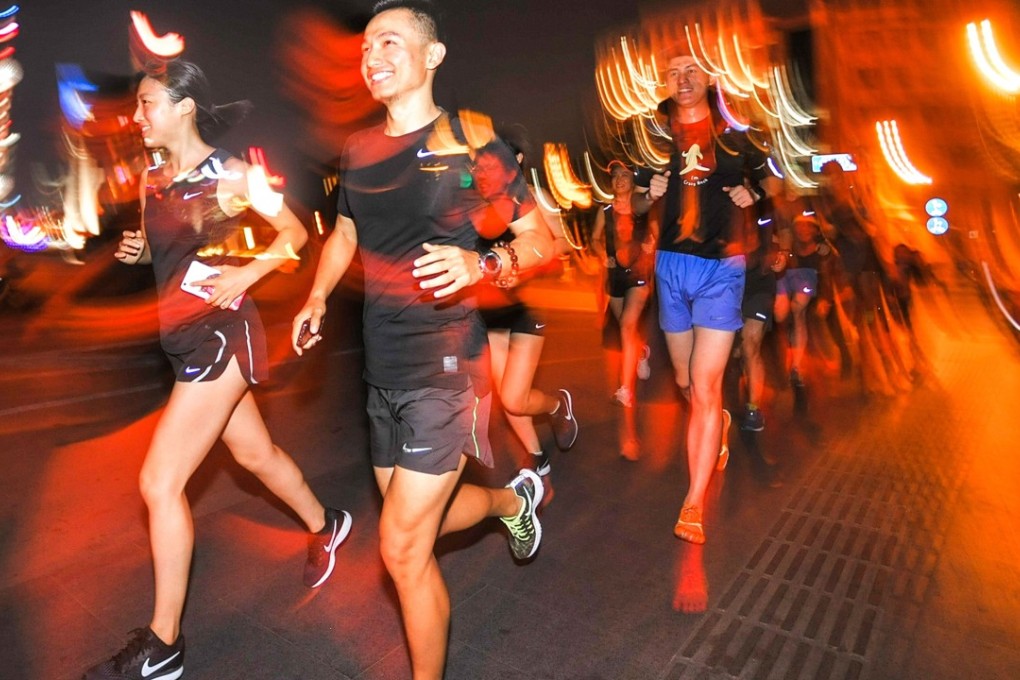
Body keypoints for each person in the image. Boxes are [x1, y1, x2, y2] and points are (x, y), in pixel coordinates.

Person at [291, 2, 555, 677]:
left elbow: (540, 239)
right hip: (383, 370)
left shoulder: (471, 142)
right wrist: (317, 295)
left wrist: (484, 263)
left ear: (432, 56)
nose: (371, 56)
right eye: (365, 46)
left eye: (390, 41)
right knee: (424, 525)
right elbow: (346, 231)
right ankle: (508, 501)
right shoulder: (359, 149)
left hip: (450, 367)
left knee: (403, 550)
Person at [84, 60, 351, 680]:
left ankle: (164, 643)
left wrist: (247, 272)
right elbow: (168, 244)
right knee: (255, 456)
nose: (137, 114)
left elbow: (293, 236)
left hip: (221, 336)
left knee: (158, 483)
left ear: (183, 107)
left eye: (148, 102)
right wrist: (140, 249)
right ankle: (326, 522)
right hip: (180, 336)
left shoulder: (230, 174)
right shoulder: (154, 176)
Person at [638, 51, 780, 544]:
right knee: (683, 379)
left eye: (691, 69)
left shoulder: (735, 135)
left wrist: (754, 195)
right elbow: (632, 199)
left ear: (709, 79)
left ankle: (694, 501)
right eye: (674, 71)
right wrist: (647, 192)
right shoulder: (654, 138)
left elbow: (773, 178)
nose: (682, 78)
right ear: (665, 81)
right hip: (671, 268)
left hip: (723, 268)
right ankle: (715, 418)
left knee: (703, 383)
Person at [471, 139, 578, 498]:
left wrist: (521, 267)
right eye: (480, 163)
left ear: (515, 162)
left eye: (494, 161)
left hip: (527, 305)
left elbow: (560, 243)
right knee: (506, 395)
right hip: (490, 309)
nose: (485, 169)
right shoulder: (474, 202)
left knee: (516, 398)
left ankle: (556, 405)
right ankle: (537, 456)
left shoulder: (533, 197)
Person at [591, 160, 656, 412]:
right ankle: (640, 352)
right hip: (615, 276)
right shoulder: (605, 210)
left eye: (625, 175)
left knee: (628, 325)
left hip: (638, 273)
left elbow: (657, 233)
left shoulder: (643, 207)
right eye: (616, 175)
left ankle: (626, 389)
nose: (620, 180)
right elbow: (594, 239)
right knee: (623, 326)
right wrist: (600, 253)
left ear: (633, 181)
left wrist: (651, 243)